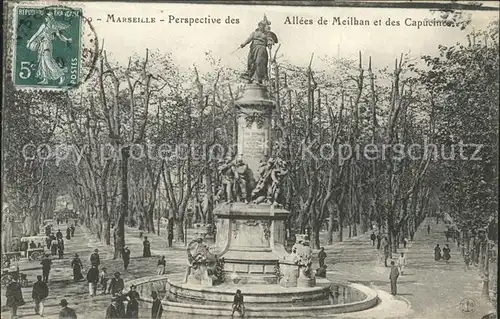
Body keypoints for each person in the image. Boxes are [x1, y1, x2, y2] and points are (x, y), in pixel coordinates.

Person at [240, 18, 275, 84]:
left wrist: (269, 43)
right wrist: (243, 44)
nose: (261, 26)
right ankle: (250, 77)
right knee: (250, 61)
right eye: (260, 25)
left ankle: (260, 78)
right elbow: (249, 39)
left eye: (262, 25)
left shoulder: (266, 34)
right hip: (253, 49)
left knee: (259, 62)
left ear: (264, 27)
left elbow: (269, 40)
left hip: (261, 49)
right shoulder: (254, 33)